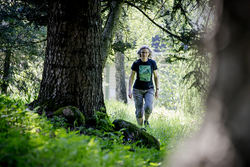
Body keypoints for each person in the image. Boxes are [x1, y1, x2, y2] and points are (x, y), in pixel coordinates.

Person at [128, 45, 159, 127]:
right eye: (142, 52)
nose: (144, 54)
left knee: (148, 107)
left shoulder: (152, 63)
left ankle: (146, 121)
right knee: (139, 111)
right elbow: (131, 77)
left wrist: (157, 90)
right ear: (140, 54)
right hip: (137, 89)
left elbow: (156, 77)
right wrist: (129, 90)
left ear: (149, 54)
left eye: (146, 52)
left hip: (149, 89)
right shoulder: (136, 63)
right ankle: (141, 128)